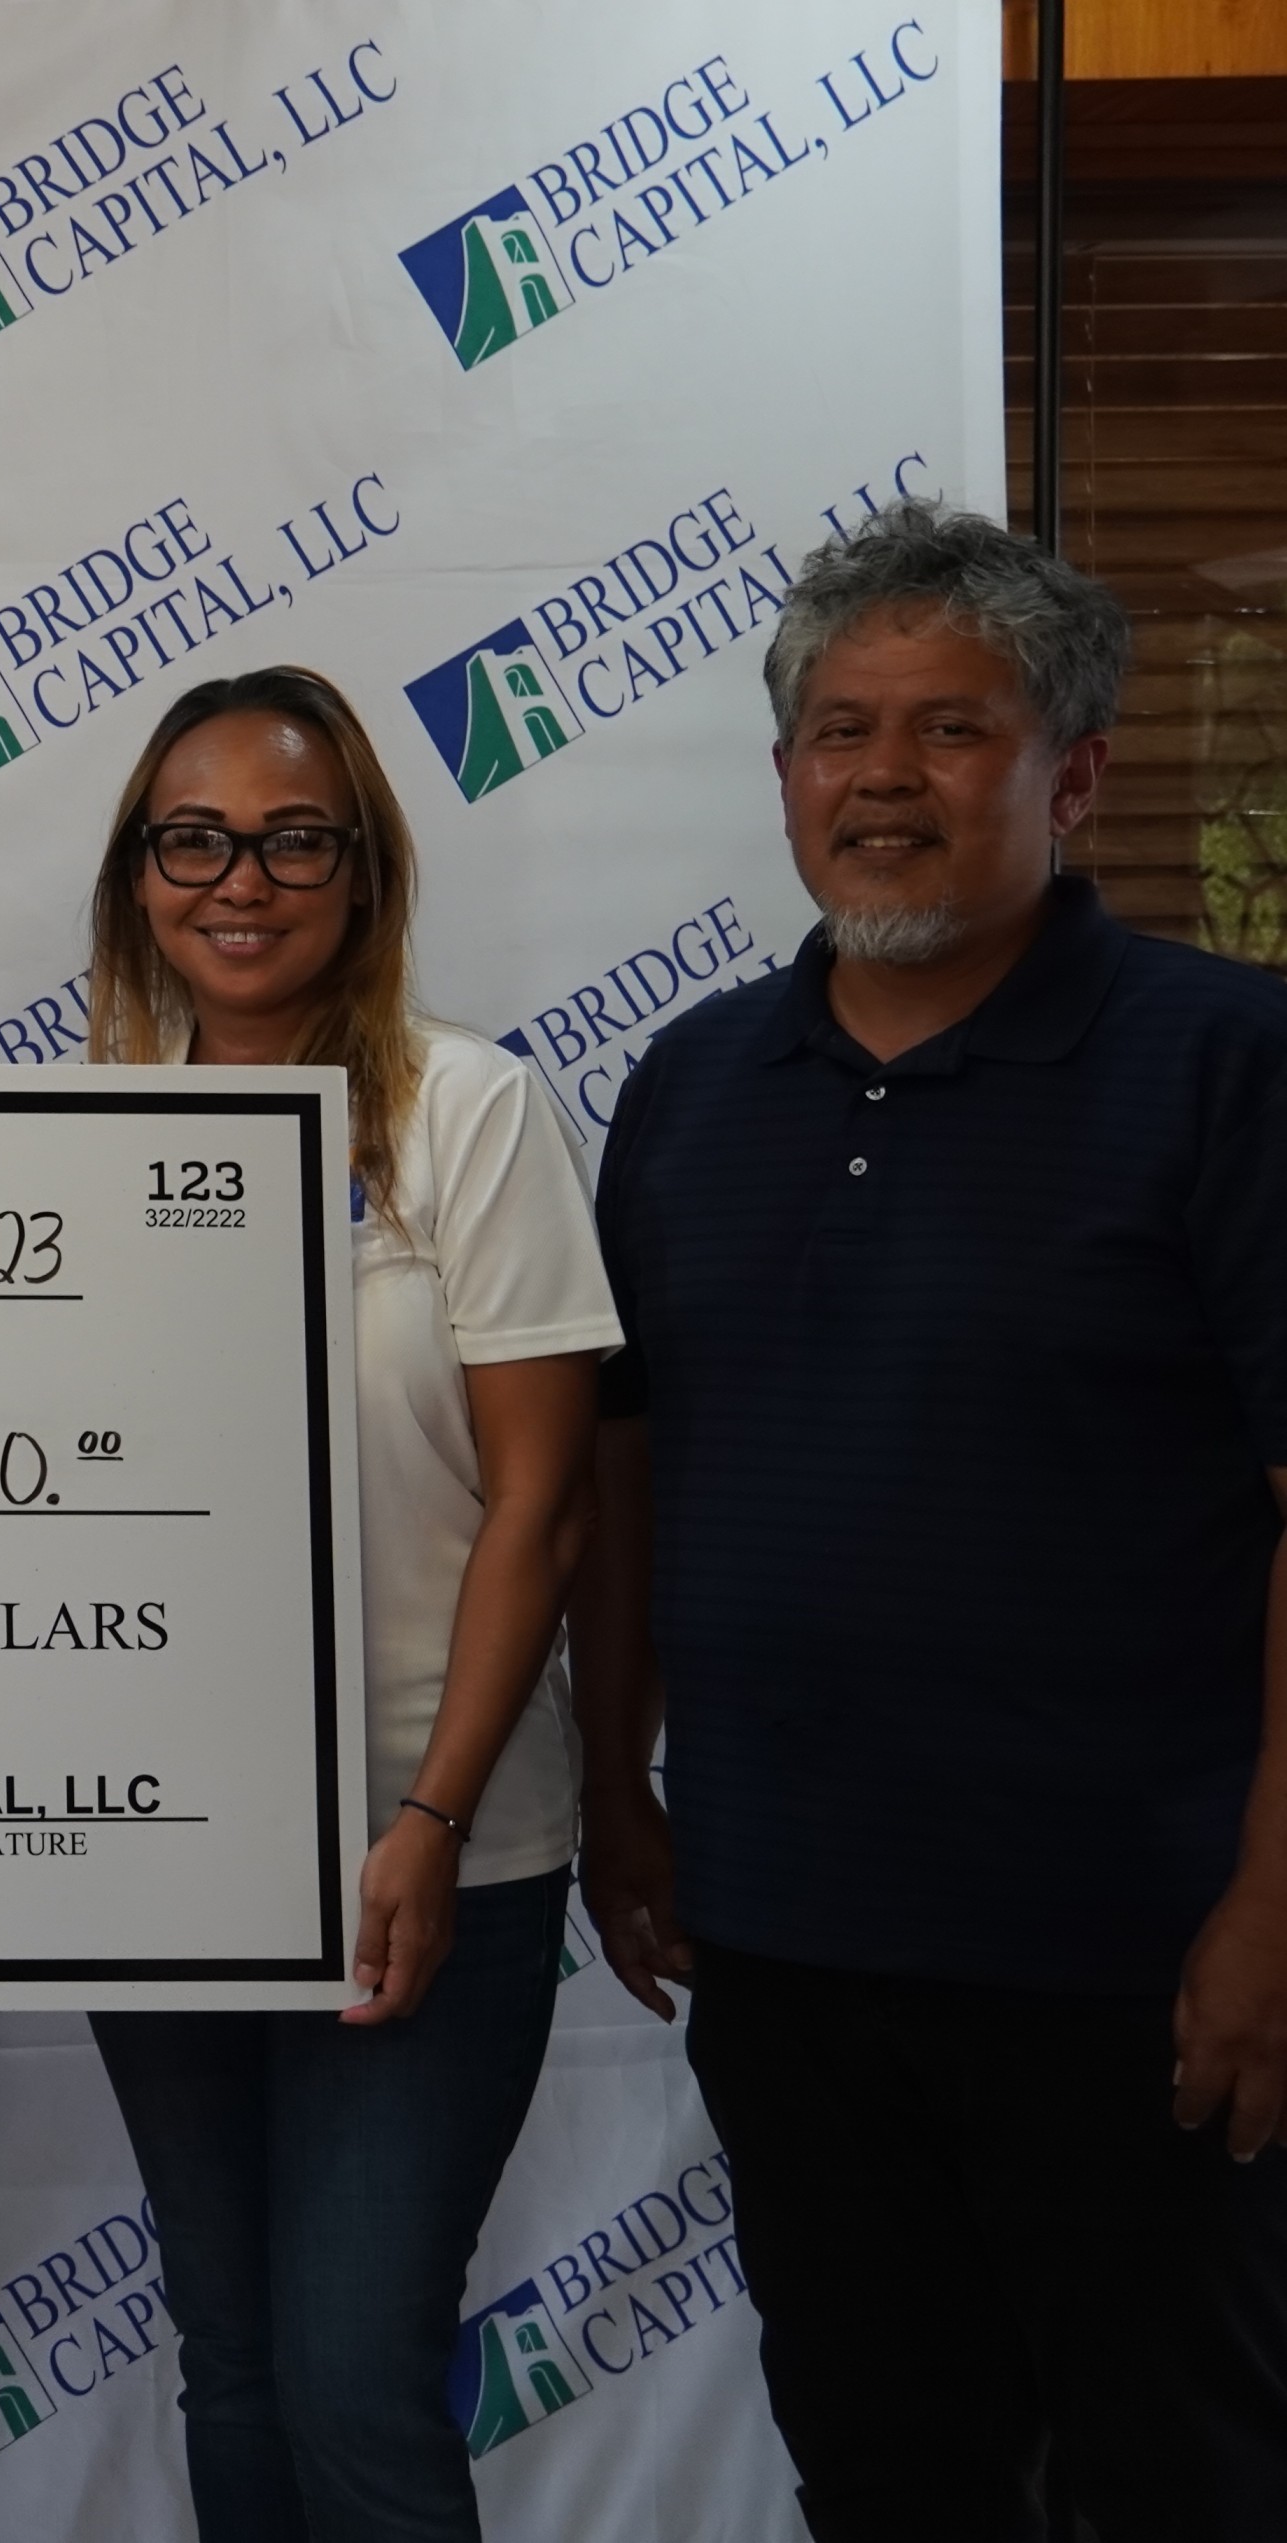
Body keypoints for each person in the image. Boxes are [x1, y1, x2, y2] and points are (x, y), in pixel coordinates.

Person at [576, 500, 1287, 2540]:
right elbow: (627, 1472)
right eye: (838, 729)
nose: (883, 775)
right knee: (889, 2479)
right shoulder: (693, 1085)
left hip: (1137, 1966)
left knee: (1186, 2482)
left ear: (1072, 776)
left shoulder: (1233, 1069)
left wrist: (1274, 1911)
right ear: (785, 775)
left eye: (951, 729)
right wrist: (627, 1796)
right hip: (791, 1951)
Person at [81, 668, 614, 2540]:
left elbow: (542, 1505)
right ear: (141, 878)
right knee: (229, 2360)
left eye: (294, 836)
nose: (244, 877)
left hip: (431, 1853)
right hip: (168, 1867)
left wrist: (431, 1816)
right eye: (195, 838)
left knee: (354, 2374)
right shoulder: (88, 1133)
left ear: (365, 866)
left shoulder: (470, 1113)